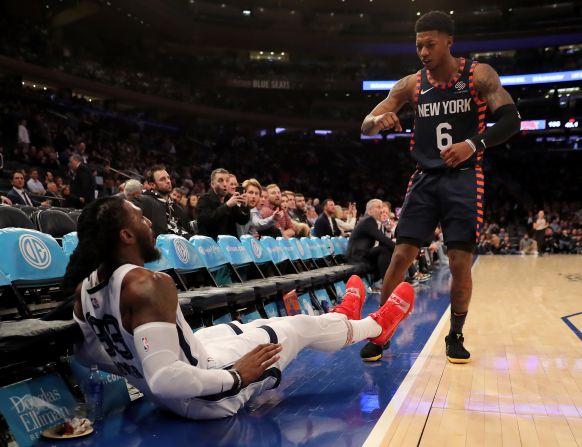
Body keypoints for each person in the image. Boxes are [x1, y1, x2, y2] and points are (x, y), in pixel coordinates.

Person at [65, 197, 415, 420]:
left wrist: (136, 366)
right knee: (297, 328)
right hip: (209, 398)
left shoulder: (86, 288)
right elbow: (165, 377)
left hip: (173, 393)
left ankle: (340, 318)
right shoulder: (147, 284)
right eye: (141, 219)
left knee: (230, 329)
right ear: (126, 236)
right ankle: (375, 326)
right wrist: (237, 376)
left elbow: (87, 353)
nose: (150, 224)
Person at [360, 11, 521, 363]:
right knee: (401, 255)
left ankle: (456, 334)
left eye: (430, 44)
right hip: (424, 178)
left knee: (460, 261)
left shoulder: (478, 75)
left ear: (449, 41)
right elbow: (365, 126)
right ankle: (382, 330)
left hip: (464, 177)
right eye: (418, 45)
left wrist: (473, 144)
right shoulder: (410, 85)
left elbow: (512, 120)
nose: (423, 52)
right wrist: (378, 120)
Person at [133, 165, 192, 238]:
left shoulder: (178, 209)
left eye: (168, 178)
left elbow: (189, 232)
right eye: (162, 179)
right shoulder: (144, 201)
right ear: (152, 185)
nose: (168, 181)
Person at [346, 199, 396, 286]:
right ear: (370, 211)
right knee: (384, 250)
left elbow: (384, 240)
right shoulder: (368, 221)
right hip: (357, 256)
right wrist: (398, 249)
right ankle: (384, 283)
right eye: (378, 207)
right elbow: (382, 239)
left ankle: (385, 280)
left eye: (382, 207)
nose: (381, 210)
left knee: (385, 249)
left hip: (363, 253)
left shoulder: (372, 221)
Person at [196, 168, 250, 240]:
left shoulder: (228, 199)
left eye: (227, 181)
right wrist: (227, 206)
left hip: (229, 245)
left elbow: (242, 221)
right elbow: (206, 221)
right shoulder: (204, 199)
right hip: (211, 246)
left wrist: (245, 207)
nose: (225, 184)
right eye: (220, 180)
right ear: (212, 184)